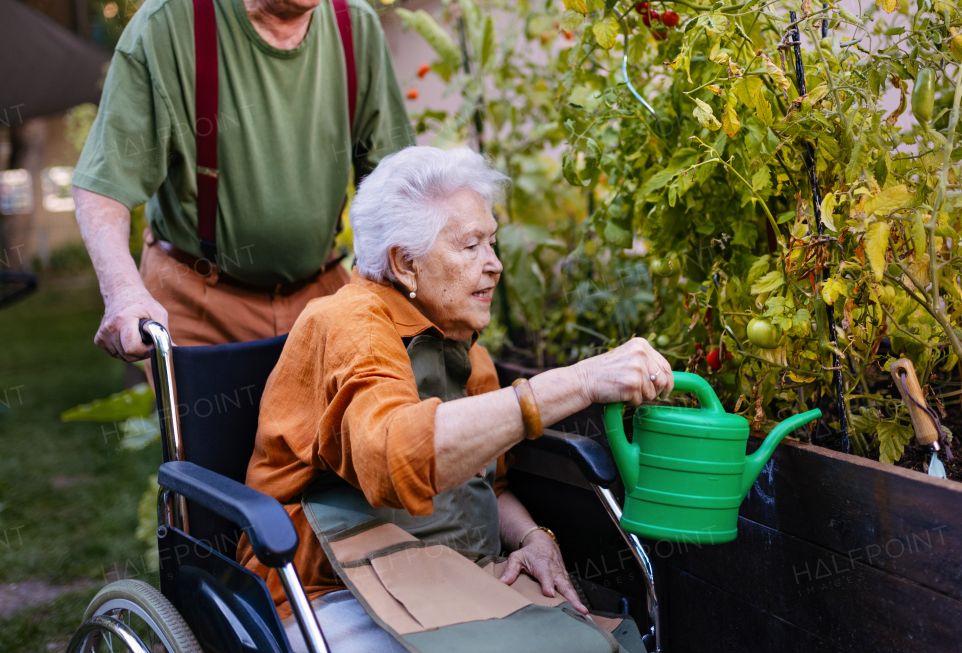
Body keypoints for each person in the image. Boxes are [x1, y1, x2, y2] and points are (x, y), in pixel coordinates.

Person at [238, 146, 673, 653]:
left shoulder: (463, 345)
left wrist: (533, 538)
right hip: (335, 589)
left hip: (453, 575)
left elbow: (485, 484)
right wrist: (577, 381)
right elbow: (393, 457)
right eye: (471, 247)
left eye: (492, 243)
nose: (495, 266)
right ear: (405, 264)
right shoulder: (349, 324)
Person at [73, 0, 414, 361]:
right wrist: (123, 291)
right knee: (210, 445)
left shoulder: (354, 25)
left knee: (334, 444)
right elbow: (103, 187)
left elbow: (392, 177)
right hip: (196, 303)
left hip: (322, 296)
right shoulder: (175, 22)